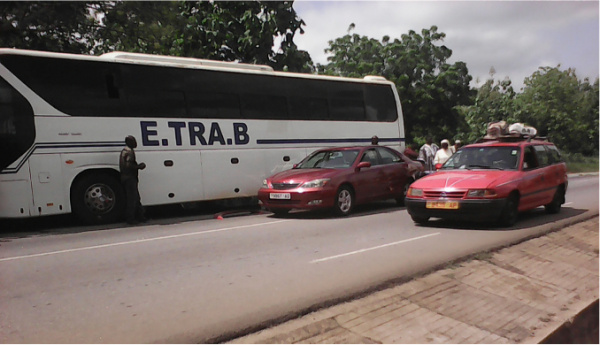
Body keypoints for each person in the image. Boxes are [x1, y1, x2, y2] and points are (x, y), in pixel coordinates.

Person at [120, 135, 147, 224]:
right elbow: (128, 165)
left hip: (126, 178)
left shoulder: (125, 151)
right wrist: (139, 166)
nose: (136, 143)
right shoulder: (129, 152)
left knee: (136, 197)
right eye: (133, 141)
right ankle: (130, 218)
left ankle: (141, 216)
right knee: (132, 199)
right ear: (129, 142)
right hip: (129, 178)